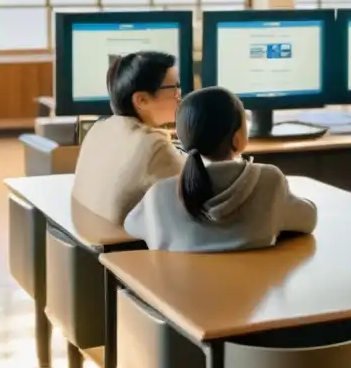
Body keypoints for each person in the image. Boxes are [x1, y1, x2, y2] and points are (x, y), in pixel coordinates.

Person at [125, 87, 317, 251]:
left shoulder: (161, 194)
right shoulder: (269, 181)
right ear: (237, 139)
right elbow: (308, 219)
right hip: (252, 293)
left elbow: (131, 226)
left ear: (183, 139)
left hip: (182, 294)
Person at [72, 52, 185, 224]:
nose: (180, 95)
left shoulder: (100, 128)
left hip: (92, 236)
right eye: (174, 87)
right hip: (130, 246)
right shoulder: (154, 145)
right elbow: (192, 198)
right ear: (141, 100)